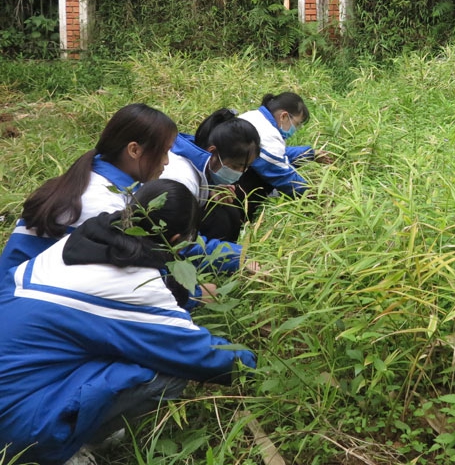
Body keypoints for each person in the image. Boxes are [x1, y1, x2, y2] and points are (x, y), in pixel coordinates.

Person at [0, 179, 255, 465]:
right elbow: (199, 353)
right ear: (175, 240)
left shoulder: (75, 246)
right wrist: (258, 366)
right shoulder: (136, 285)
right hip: (17, 430)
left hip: (17, 381)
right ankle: (69, 448)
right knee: (165, 370)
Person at [0, 103, 177, 275]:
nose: (166, 161)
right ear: (134, 150)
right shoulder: (104, 206)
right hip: (18, 294)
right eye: (163, 151)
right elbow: (133, 278)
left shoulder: (90, 178)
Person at [160, 108, 262, 273]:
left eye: (246, 167)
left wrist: (208, 192)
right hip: (161, 242)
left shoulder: (194, 157)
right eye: (235, 166)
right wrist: (238, 257)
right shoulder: (181, 179)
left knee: (228, 209)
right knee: (222, 218)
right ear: (212, 152)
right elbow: (178, 242)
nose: (239, 173)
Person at [237, 92, 331, 219]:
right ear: (284, 116)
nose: (295, 130)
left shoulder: (254, 116)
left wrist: (310, 154)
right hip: (231, 194)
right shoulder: (268, 133)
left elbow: (279, 154)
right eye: (297, 124)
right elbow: (284, 177)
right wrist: (317, 197)